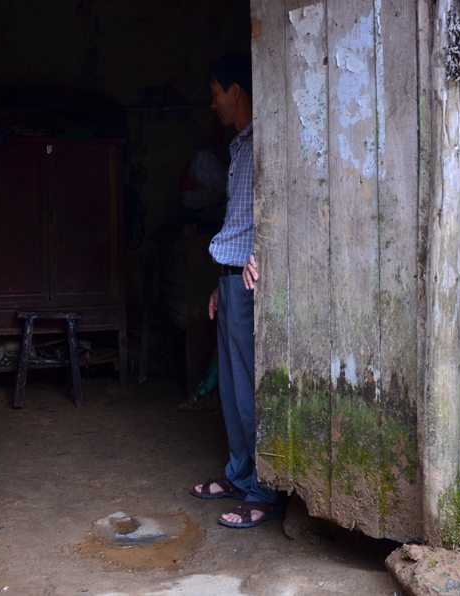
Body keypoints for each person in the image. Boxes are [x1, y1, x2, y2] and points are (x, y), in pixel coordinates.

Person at [190, 52, 284, 528]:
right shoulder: (239, 148)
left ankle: (261, 492)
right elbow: (238, 221)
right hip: (230, 282)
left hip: (249, 287)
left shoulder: (266, 142)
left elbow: (283, 204)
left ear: (236, 93)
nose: (213, 104)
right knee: (231, 388)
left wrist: (265, 255)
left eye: (215, 94)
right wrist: (220, 280)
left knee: (251, 392)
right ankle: (238, 472)